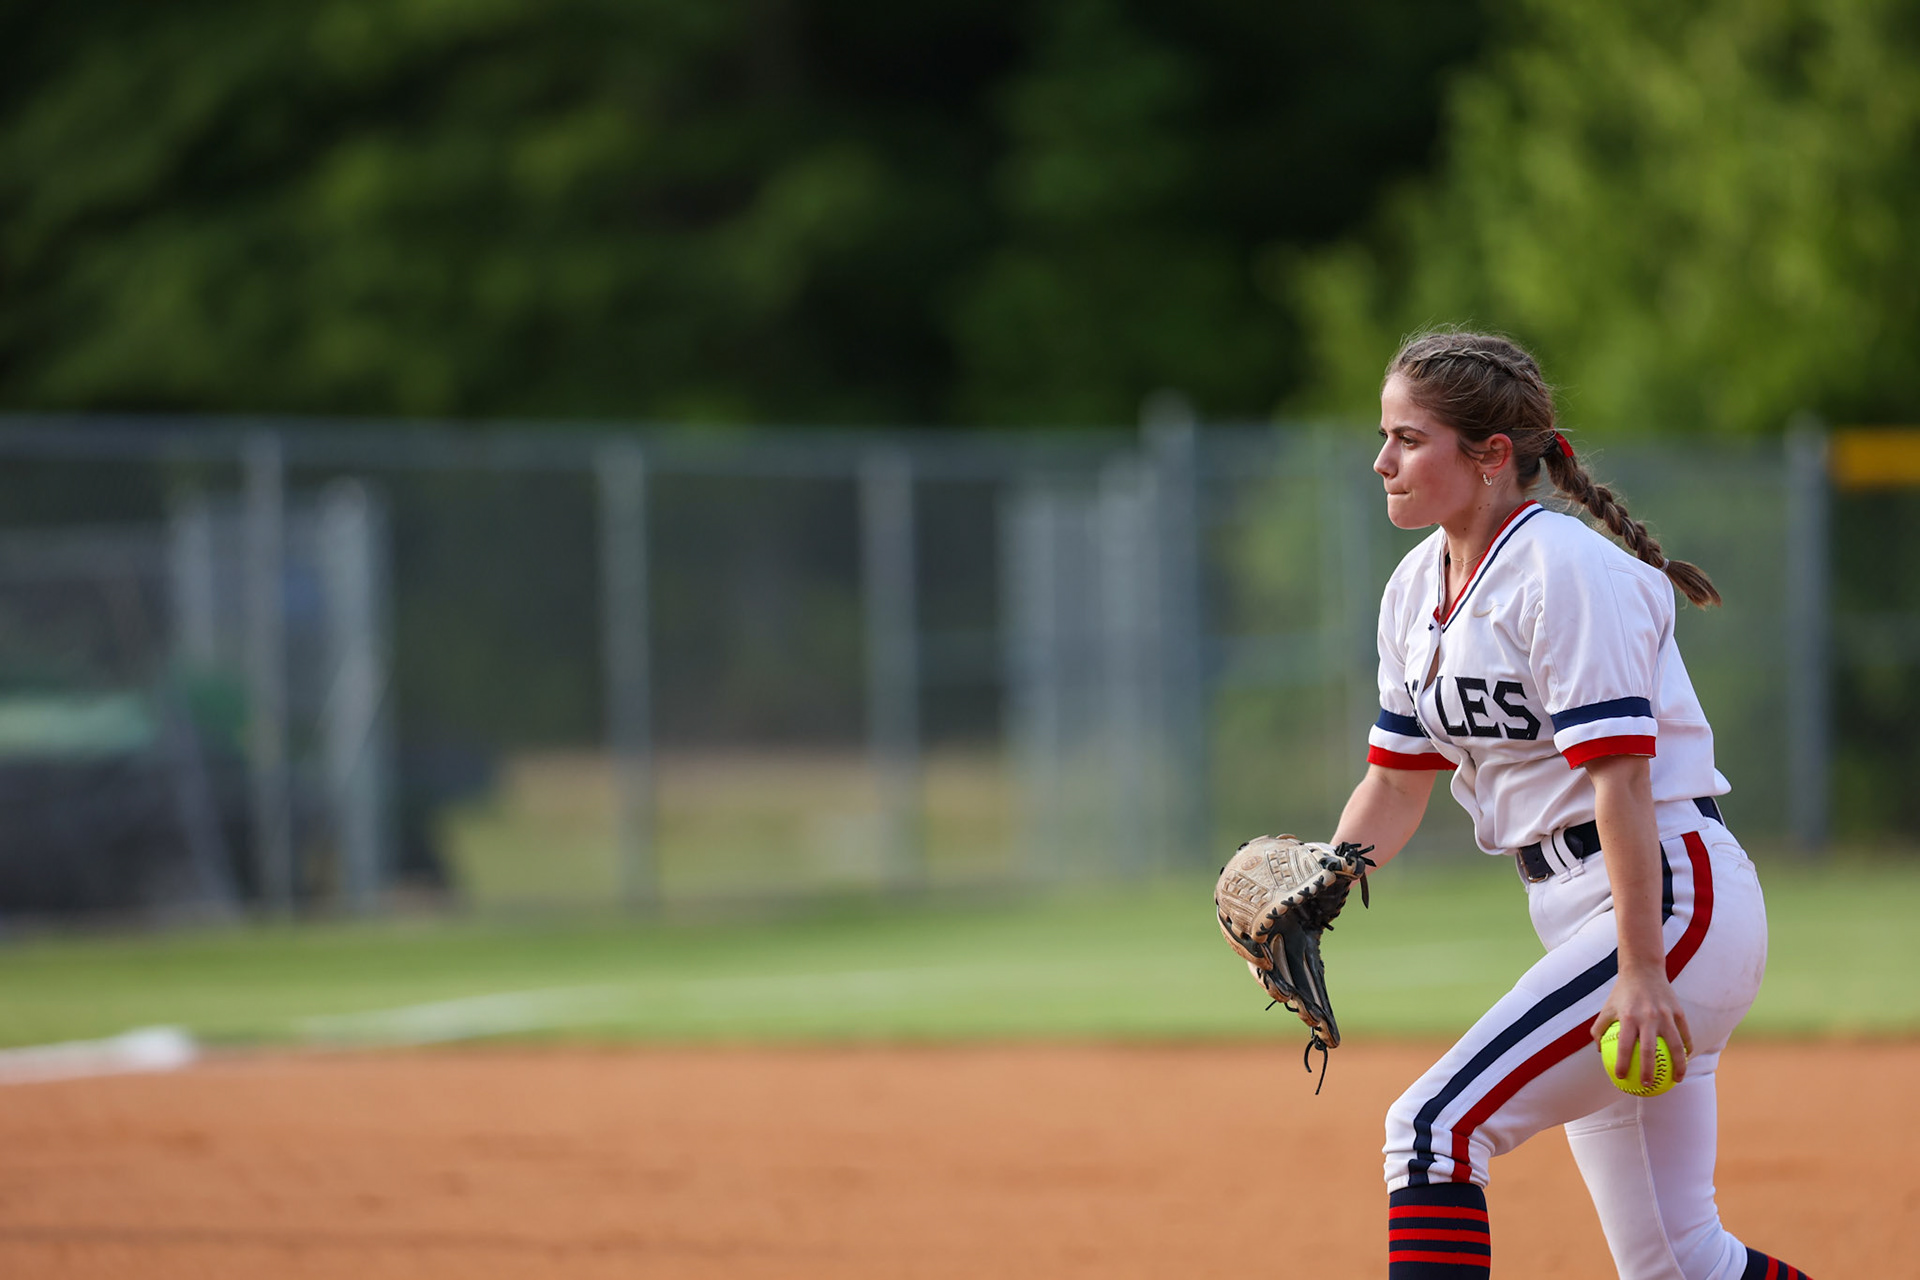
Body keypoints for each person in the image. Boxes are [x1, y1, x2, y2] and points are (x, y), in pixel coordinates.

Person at [1331, 330, 1812, 1280]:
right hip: (1593, 913)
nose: (1382, 460)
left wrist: (1641, 969)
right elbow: (1395, 781)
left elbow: (1623, 780)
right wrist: (1328, 876)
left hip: (1671, 905)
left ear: (1492, 455)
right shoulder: (1414, 588)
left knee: (1432, 1131)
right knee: (1680, 1263)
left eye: (1408, 438)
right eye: (1384, 436)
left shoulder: (1560, 569)